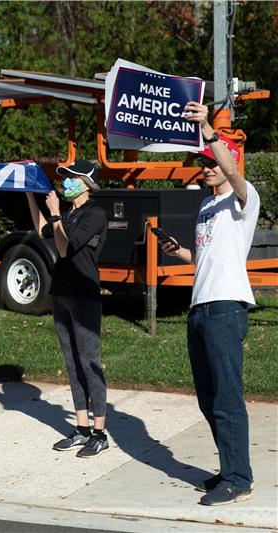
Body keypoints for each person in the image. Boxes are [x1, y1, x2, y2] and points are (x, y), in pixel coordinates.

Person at [160, 101, 259, 506]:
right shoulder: (205, 206)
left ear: (226, 161)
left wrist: (208, 129)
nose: (205, 167)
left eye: (211, 162)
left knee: (227, 397)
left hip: (225, 308)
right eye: (202, 163)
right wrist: (179, 251)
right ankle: (229, 468)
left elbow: (233, 171)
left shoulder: (243, 197)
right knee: (207, 396)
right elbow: (207, 258)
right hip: (199, 308)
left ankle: (239, 478)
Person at [25, 159, 108, 458]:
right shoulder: (69, 214)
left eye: (72, 178)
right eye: (65, 178)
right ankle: (82, 428)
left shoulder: (95, 213)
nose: (66, 183)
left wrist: (56, 212)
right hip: (61, 295)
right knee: (72, 364)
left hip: (84, 296)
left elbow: (64, 248)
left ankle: (99, 433)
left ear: (87, 183)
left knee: (89, 362)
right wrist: (29, 194)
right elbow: (42, 228)